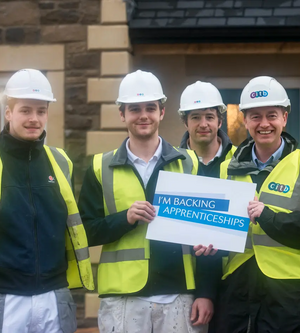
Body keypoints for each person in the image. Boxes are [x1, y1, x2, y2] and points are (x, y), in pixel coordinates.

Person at [78, 70, 220, 333]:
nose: (143, 115)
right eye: (134, 109)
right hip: (122, 297)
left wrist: (206, 292)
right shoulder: (100, 167)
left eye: (150, 108)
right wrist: (125, 218)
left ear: (161, 112)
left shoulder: (188, 162)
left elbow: (207, 234)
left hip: (180, 295)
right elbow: (84, 232)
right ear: (122, 114)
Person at [215, 76, 300, 332]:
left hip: (292, 295)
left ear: (284, 117)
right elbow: (220, 230)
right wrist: (208, 242)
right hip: (238, 289)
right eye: (255, 116)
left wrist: (268, 216)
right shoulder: (226, 169)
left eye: (271, 115)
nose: (264, 124)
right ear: (245, 120)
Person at [0, 69, 94, 332]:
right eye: (25, 110)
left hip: (54, 294)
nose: (34, 119)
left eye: (41, 111)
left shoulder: (61, 161)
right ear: (8, 113)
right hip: (3, 296)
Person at [178, 81, 237, 178]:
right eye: (196, 117)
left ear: (220, 122)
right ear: (185, 122)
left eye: (209, 117)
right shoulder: (172, 161)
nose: (203, 124)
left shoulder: (241, 158)